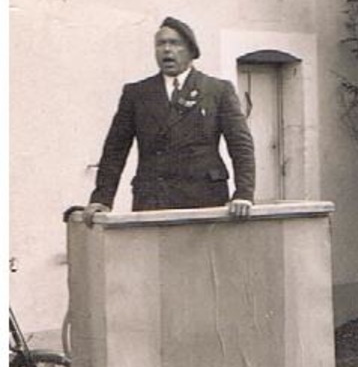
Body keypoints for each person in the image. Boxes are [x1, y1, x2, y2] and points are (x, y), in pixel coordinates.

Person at [87, 16, 256, 218]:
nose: (166, 50)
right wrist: (101, 199)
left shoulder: (217, 90)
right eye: (160, 44)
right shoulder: (137, 93)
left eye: (175, 43)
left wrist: (244, 194)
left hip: (204, 200)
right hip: (152, 200)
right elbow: (115, 149)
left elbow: (241, 146)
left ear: (191, 51)